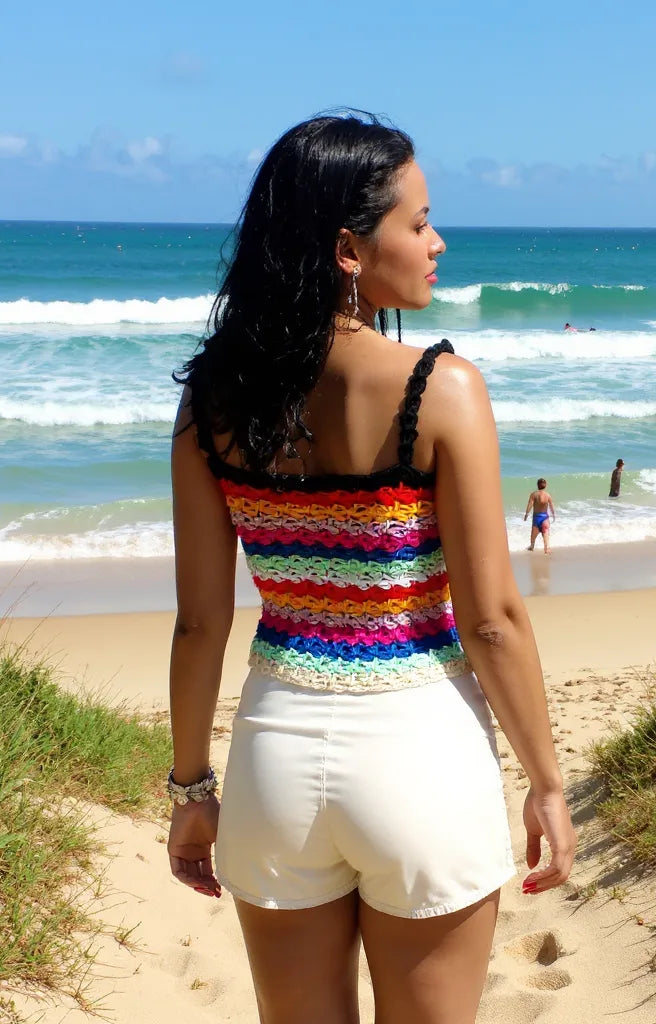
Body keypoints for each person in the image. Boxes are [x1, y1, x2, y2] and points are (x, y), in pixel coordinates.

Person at [167, 112, 575, 1024]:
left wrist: (192, 788)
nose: (437, 242)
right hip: (420, 757)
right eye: (419, 223)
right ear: (350, 249)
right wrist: (547, 784)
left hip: (276, 763)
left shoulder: (214, 398)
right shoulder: (442, 388)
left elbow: (201, 622)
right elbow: (493, 620)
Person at [524, 478, 555, 553]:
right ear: (545, 485)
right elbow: (551, 506)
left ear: (537, 485)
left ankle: (532, 546)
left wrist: (526, 514)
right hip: (545, 518)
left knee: (533, 535)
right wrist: (553, 515)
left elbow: (530, 504)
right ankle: (546, 548)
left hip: (536, 518)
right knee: (546, 533)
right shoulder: (548, 495)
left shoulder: (534, 494)